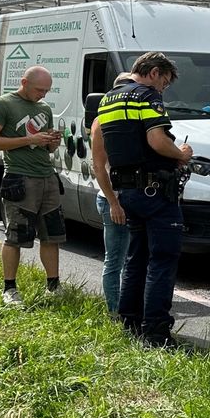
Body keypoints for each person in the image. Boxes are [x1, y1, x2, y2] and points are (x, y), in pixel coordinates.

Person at [98, 53, 193, 345]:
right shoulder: (147, 96)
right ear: (153, 73)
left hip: (127, 191)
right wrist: (180, 154)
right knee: (163, 259)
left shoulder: (108, 100)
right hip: (155, 190)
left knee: (135, 258)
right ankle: (156, 331)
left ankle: (130, 322)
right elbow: (156, 140)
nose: (163, 88)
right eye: (164, 82)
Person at [0, 66, 64, 306]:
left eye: (47, 91)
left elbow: (47, 148)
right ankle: (9, 289)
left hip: (47, 176)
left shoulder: (44, 108)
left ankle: (53, 286)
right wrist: (29, 139)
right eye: (39, 90)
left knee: (52, 235)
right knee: (15, 235)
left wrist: (52, 141)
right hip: (20, 177)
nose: (43, 95)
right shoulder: (2, 104)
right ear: (24, 83)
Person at [90, 72, 133, 313]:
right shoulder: (102, 121)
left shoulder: (133, 117)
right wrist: (114, 203)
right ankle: (115, 312)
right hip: (113, 199)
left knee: (131, 259)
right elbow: (98, 167)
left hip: (132, 198)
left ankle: (130, 309)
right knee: (115, 260)